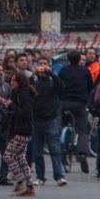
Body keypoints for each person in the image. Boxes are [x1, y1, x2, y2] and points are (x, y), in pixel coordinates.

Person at [29, 58, 66, 186]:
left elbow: (61, 86)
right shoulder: (33, 81)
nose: (43, 67)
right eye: (40, 64)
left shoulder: (52, 81)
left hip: (50, 119)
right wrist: (33, 73)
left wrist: (51, 73)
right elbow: (25, 89)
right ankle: (40, 176)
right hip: (36, 120)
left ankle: (59, 176)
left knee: (55, 150)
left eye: (45, 64)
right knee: (37, 152)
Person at [59, 50, 94, 174]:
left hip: (65, 103)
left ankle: (62, 147)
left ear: (68, 59)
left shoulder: (63, 71)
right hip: (80, 103)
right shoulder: (85, 70)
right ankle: (82, 153)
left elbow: (59, 85)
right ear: (80, 59)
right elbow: (91, 86)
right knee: (82, 130)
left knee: (61, 125)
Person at [4, 71, 37, 196]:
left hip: (23, 130)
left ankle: (20, 180)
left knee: (8, 155)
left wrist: (12, 107)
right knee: (21, 157)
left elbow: (27, 112)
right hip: (21, 128)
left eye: (13, 80)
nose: (11, 83)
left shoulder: (23, 94)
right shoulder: (16, 93)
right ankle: (29, 185)